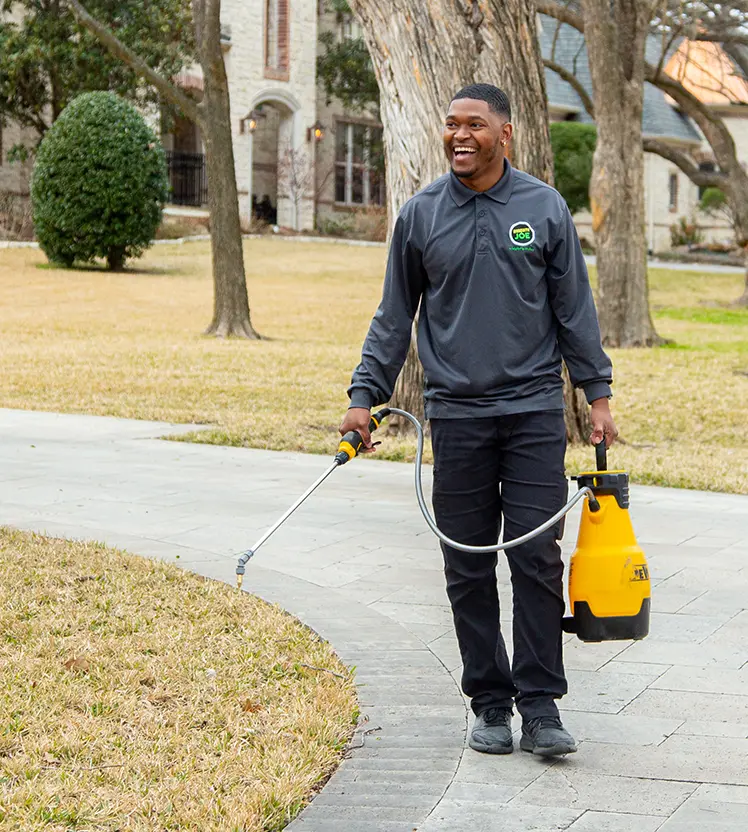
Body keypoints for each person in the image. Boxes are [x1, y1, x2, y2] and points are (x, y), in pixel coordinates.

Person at [339, 83, 617, 758]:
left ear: (505, 133)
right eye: (452, 124)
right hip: (457, 416)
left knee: (535, 560)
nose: (460, 135)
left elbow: (573, 310)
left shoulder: (543, 208)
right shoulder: (422, 214)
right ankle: (489, 703)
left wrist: (597, 393)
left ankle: (542, 707)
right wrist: (362, 397)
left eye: (475, 125)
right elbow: (392, 315)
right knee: (465, 566)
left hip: (532, 415)